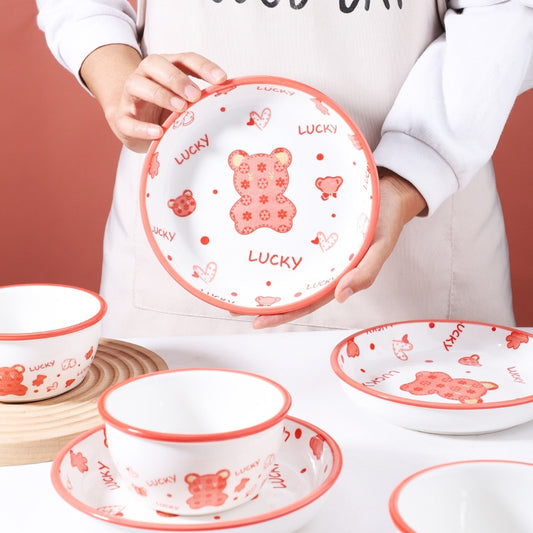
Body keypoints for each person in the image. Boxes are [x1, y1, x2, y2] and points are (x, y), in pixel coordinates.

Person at [36, 0, 533, 337]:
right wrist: (119, 80)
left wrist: (408, 180)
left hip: (420, 246)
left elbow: (505, 11)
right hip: (183, 245)